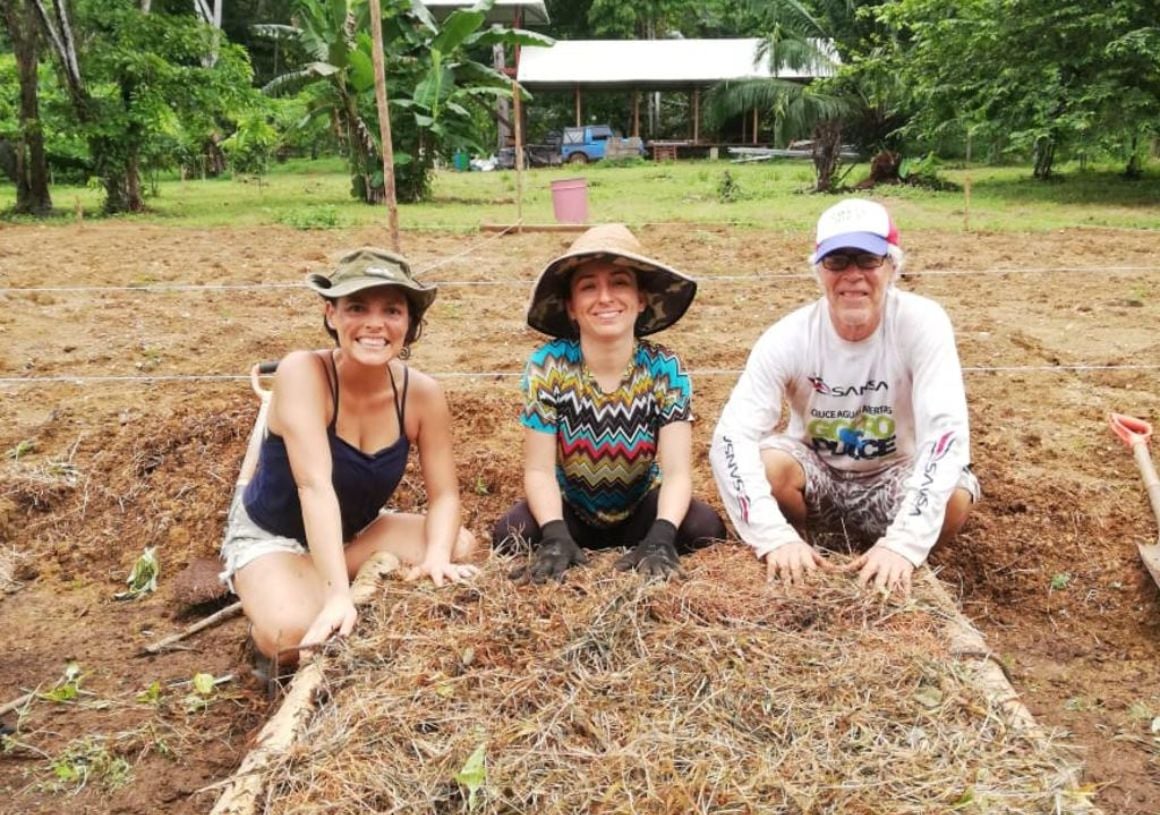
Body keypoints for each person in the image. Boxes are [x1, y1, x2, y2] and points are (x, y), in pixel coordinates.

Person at [220, 247, 478, 664]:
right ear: (331, 314)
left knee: (456, 546)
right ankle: (280, 600)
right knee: (292, 634)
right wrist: (339, 596)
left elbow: (445, 496)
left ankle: (307, 584)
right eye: (357, 307)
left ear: (409, 322)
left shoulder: (423, 394)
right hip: (274, 537)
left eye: (392, 311)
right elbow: (314, 486)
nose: (375, 324)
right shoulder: (302, 372)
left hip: (350, 537)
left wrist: (434, 559)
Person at [709, 199, 979, 598]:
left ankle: (898, 562)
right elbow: (731, 437)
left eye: (867, 260)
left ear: (892, 266)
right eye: (837, 262)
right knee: (771, 465)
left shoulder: (922, 324)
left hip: (893, 474)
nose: (853, 276)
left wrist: (904, 543)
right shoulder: (789, 336)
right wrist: (773, 536)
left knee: (956, 494)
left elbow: (946, 433)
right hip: (820, 473)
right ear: (818, 270)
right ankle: (803, 548)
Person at [494, 224, 726, 582]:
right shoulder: (548, 365)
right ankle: (564, 542)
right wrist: (554, 533)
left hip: (640, 509)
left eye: (619, 282)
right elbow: (539, 470)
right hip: (572, 510)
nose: (605, 298)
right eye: (588, 286)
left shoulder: (665, 368)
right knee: (512, 533)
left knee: (704, 528)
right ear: (571, 306)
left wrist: (663, 535)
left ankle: (648, 543)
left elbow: (678, 472)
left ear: (641, 298)